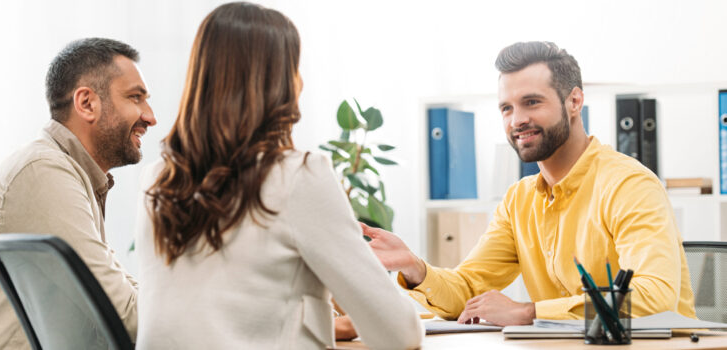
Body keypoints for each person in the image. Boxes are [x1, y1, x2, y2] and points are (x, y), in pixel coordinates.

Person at [134, 3, 422, 349]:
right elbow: (399, 333)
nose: (300, 82)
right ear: (280, 83)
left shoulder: (157, 181)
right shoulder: (297, 176)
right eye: (294, 68)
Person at [362, 41, 696, 326]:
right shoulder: (519, 200)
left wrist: (529, 312)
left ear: (575, 101)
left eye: (531, 102)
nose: (516, 119)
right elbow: (467, 289)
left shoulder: (629, 185)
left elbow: (655, 296)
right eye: (506, 108)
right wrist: (414, 267)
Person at [0, 38, 155, 348]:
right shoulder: (43, 171)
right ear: (87, 103)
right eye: (135, 98)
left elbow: (121, 292)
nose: (151, 116)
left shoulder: (70, 173)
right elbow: (124, 317)